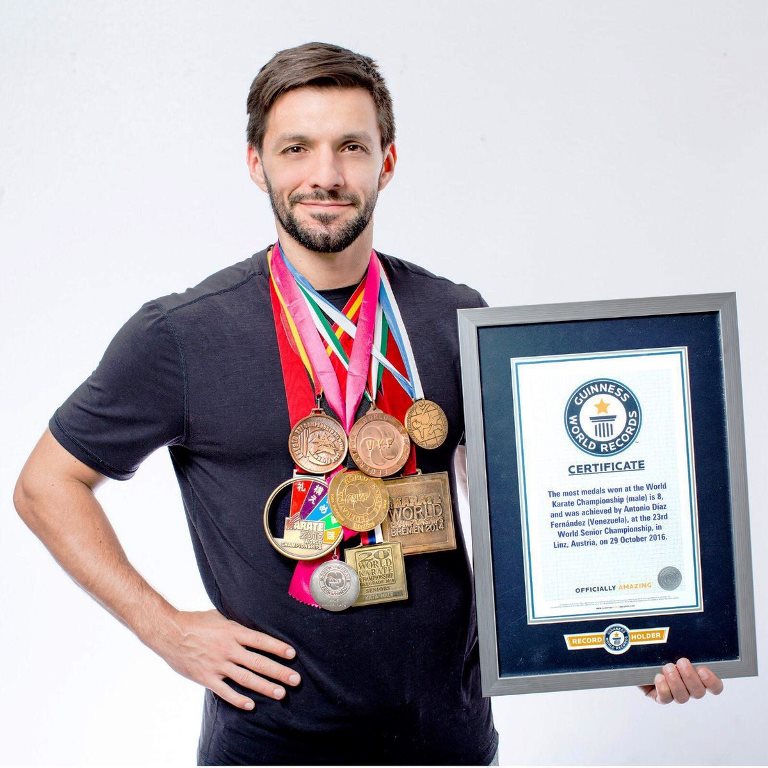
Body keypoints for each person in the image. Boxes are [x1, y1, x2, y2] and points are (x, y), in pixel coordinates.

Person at [13, 42, 723, 766]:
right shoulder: (182, 335)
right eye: (297, 148)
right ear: (257, 162)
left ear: (386, 162)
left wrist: (631, 634)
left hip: (447, 737)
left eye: (351, 146)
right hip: (269, 743)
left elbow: (528, 507)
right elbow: (45, 485)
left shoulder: (456, 315)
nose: (326, 175)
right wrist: (162, 628)